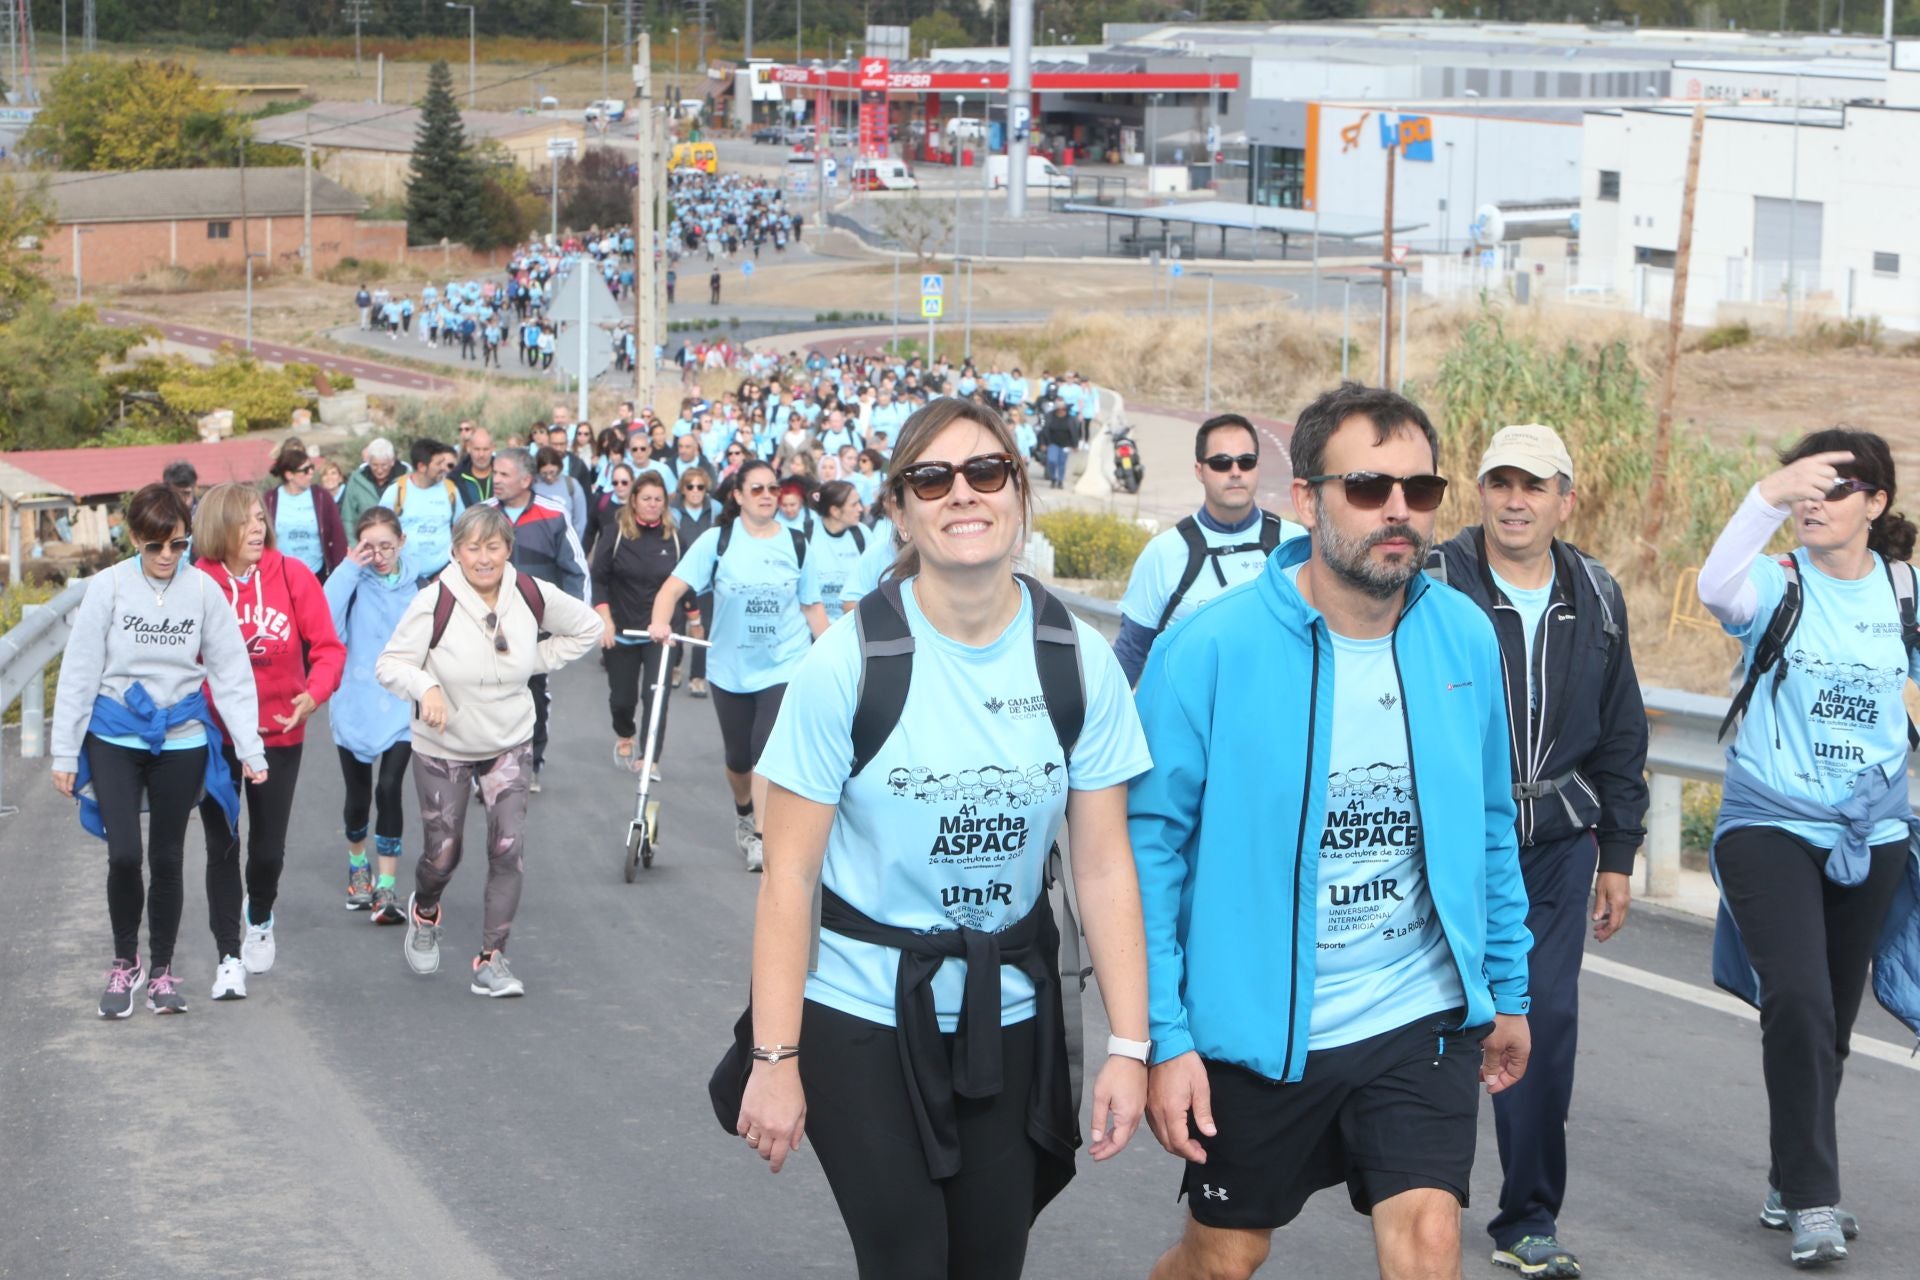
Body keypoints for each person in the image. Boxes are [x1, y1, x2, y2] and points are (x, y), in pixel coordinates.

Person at [738, 397, 1155, 1277]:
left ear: (1018, 493)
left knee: (988, 1265)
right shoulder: (846, 665)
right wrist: (776, 1058)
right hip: (864, 1019)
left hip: (1012, 1019)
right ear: (899, 508)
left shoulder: (1077, 662)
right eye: (932, 478)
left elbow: (1104, 864)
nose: (962, 494)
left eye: (986, 472)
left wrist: (1129, 1044)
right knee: (910, 1262)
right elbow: (787, 881)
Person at [1129, 382, 1532, 1280]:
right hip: (1259, 1025)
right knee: (1224, 1258)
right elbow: (1147, 853)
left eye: (1419, 492)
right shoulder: (1210, 650)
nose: (1398, 511)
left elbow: (1491, 824)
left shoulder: (1463, 637)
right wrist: (1165, 1035)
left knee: (1430, 1241)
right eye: (1368, 488)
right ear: (1306, 499)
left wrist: (1508, 987)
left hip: (1415, 1010)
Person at [1696, 429, 1920, 1270]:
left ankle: (1790, 1177)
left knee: (1828, 1019)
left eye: (1837, 488)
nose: (1815, 503)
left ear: (1877, 504)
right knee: (1798, 999)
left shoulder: (1904, 593)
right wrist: (1767, 492)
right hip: (1772, 820)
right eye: (1806, 489)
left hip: (1875, 832)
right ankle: (1815, 1201)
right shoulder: (1774, 582)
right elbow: (1715, 582)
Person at [1428, 424, 1649, 1280]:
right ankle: (1425, 1196)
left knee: (1543, 1026)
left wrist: (1620, 855)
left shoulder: (1594, 592)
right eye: (1499, 482)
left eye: (1534, 485)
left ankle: (1526, 1218)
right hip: (1447, 846)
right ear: (1478, 491)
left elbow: (1622, 732)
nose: (1515, 500)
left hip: (1557, 848)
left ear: (1566, 497)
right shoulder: (1434, 581)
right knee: (1439, 1027)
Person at [51, 484, 266, 1017]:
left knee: (167, 858)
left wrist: (250, 747)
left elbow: (231, 672)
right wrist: (62, 751)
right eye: (154, 547)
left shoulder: (203, 592)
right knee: (124, 853)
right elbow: (79, 671)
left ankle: (163, 972)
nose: (167, 557)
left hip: (181, 735)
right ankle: (126, 963)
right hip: (116, 733)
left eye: (177, 544)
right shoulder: (108, 588)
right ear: (134, 540)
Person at [375, 505, 603, 998]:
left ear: (508, 549)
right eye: (473, 548)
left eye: (494, 547)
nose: (484, 558)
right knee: (443, 852)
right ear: (456, 552)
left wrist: (532, 662)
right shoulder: (434, 600)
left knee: (507, 849)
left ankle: (492, 959)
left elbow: (586, 627)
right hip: (444, 746)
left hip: (508, 742)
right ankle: (426, 908)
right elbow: (390, 664)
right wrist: (426, 687)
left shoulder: (529, 592)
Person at [193, 483, 346, 1001]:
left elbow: (327, 649)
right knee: (222, 844)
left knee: (267, 850)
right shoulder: (199, 583)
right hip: (214, 736)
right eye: (245, 520)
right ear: (219, 528)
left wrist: (313, 695)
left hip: (280, 730)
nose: (257, 528)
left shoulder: (294, 576)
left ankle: (259, 913)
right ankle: (228, 957)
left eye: (260, 518)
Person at [647, 459, 824, 871]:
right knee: (739, 758)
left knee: (766, 749)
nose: (767, 496)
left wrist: (838, 653)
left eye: (773, 489)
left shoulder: (797, 543)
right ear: (739, 496)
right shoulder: (718, 541)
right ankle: (744, 810)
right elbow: (672, 589)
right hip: (730, 666)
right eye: (757, 489)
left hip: (784, 663)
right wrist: (659, 622)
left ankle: (762, 837)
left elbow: (813, 608)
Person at [1113, 413, 1306, 687]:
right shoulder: (1163, 553)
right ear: (1199, 470)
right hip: (1187, 726)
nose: (1235, 471)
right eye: (1221, 463)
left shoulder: (1295, 544)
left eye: (1246, 461)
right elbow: (1130, 655)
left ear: (1257, 467)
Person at [325, 506, 420, 925]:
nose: (380, 555)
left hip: (401, 704)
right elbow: (324, 621)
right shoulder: (351, 584)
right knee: (358, 796)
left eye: (387, 545)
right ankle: (357, 861)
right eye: (370, 547)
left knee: (389, 787)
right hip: (355, 701)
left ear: (402, 543)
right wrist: (349, 567)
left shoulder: (418, 590)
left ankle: (386, 888)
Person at [487, 447, 590, 793]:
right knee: (484, 693)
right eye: (495, 473)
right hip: (487, 627)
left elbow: (575, 571)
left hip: (536, 630)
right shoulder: (482, 515)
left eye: (503, 474)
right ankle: (486, 767)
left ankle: (530, 763)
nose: (495, 480)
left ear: (526, 480)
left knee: (531, 696)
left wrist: (572, 622)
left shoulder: (554, 514)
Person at [592, 472, 684, 779]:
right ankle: (625, 732)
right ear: (634, 501)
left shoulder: (673, 537)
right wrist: (605, 621)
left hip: (661, 632)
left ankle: (650, 758)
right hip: (622, 630)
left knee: (656, 695)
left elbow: (686, 582)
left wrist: (695, 618)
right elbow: (599, 580)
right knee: (622, 699)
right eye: (646, 498)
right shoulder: (615, 534)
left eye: (659, 499)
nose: (653, 504)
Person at [262, 441, 348, 581]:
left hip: (318, 573)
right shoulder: (270, 500)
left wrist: (341, 573)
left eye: (312, 467)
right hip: (282, 574)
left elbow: (338, 537)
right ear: (290, 475)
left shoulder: (321, 496)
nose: (311, 473)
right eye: (305, 470)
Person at [383, 439, 465, 583]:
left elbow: (464, 528)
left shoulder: (450, 490)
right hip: (404, 577)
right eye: (438, 463)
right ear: (421, 466)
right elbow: (380, 530)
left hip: (443, 574)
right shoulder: (396, 491)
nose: (444, 468)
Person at [672, 466, 718, 697]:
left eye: (700, 487)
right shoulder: (673, 512)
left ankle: (698, 677)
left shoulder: (715, 510)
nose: (696, 491)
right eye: (690, 487)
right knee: (678, 625)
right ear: (683, 489)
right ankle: (675, 665)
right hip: (680, 579)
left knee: (703, 628)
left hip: (707, 581)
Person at [800, 480, 867, 631]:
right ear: (835, 511)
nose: (861, 509)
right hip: (813, 630)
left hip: (853, 629)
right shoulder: (806, 534)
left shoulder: (862, 534)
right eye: (854, 504)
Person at [340, 437, 407, 534]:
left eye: (383, 465)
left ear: (392, 461)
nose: (379, 470)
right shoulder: (356, 480)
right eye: (374, 465)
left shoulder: (406, 479)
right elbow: (348, 518)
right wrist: (354, 545)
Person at [534, 445, 591, 540]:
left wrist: (574, 545)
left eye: (552, 472)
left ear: (559, 467)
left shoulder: (571, 485)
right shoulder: (533, 486)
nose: (549, 477)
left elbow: (580, 520)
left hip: (566, 542)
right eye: (544, 473)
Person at [1042, 400, 1077, 490]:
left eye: (1063, 409)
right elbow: (1045, 430)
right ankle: (1053, 478)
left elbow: (1074, 433)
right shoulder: (1050, 417)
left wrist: (1074, 445)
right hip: (1053, 443)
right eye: (1060, 409)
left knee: (1062, 463)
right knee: (1051, 461)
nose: (1062, 411)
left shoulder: (1070, 419)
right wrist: (1044, 443)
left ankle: (1060, 480)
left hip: (1065, 445)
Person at [456, 428, 497, 507]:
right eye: (477, 449)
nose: (481, 455)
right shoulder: (455, 478)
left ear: (493, 448)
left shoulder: (505, 475)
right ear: (468, 448)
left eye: (486, 449)